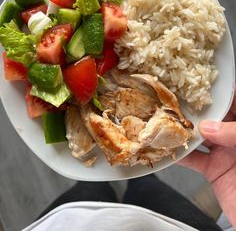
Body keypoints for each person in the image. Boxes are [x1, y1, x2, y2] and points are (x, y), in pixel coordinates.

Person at [23, 94, 236, 231]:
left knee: (89, 191)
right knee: (147, 187)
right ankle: (137, 178)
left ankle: (99, 182)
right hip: (177, 225)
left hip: (69, 223)